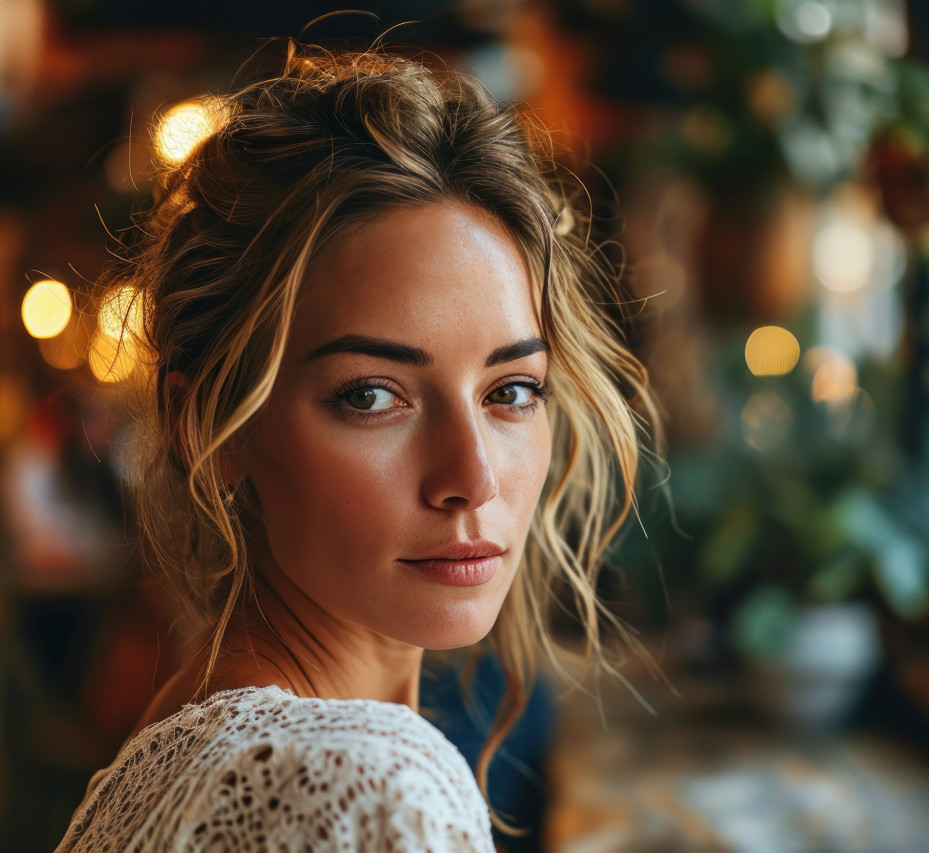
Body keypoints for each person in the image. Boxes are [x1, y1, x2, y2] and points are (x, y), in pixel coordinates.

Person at [56, 44, 656, 852]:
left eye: (511, 391)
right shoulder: (366, 789)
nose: (472, 479)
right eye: (372, 396)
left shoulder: (170, 745)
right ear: (207, 429)